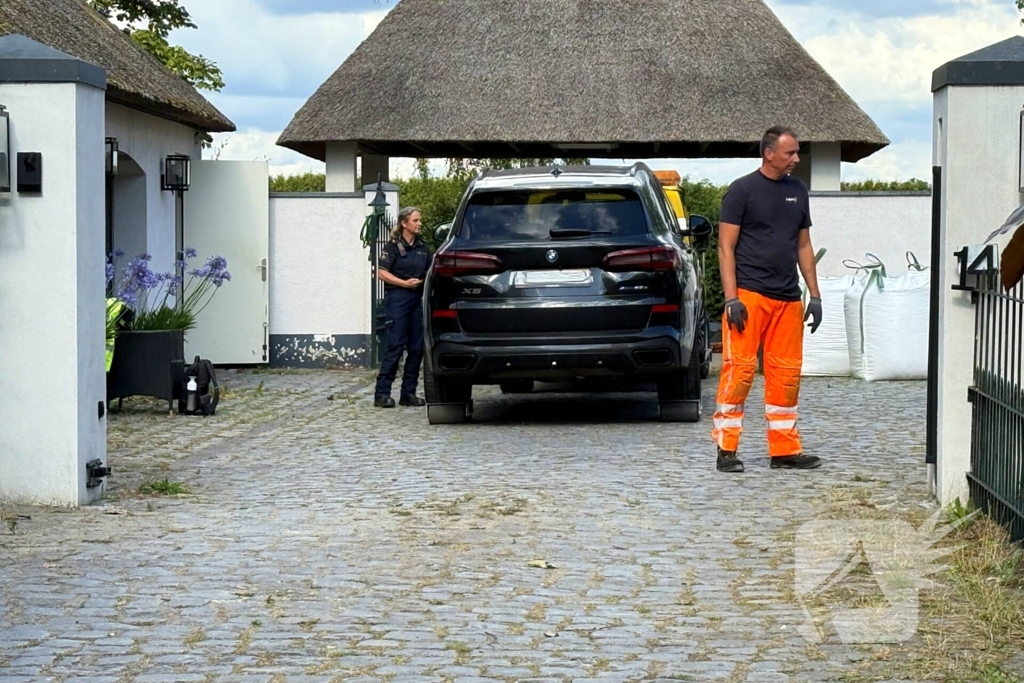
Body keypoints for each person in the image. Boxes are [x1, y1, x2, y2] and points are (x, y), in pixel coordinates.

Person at [713, 126, 824, 473]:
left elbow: (803, 245)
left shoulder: (798, 191)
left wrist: (815, 295)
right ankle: (726, 450)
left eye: (797, 152)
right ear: (769, 154)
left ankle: (784, 451)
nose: (796, 159)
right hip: (749, 296)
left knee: (786, 375)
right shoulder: (742, 191)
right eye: (790, 153)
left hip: (788, 299)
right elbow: (725, 247)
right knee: (740, 371)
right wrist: (732, 299)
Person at [374, 206, 432, 408]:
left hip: (417, 298)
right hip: (398, 297)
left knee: (416, 348)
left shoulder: (423, 247)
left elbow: (431, 271)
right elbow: (381, 273)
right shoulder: (392, 247)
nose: (419, 223)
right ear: (404, 223)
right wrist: (403, 283)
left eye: (419, 220)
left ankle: (408, 393)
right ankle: (382, 394)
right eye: (415, 220)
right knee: (396, 346)